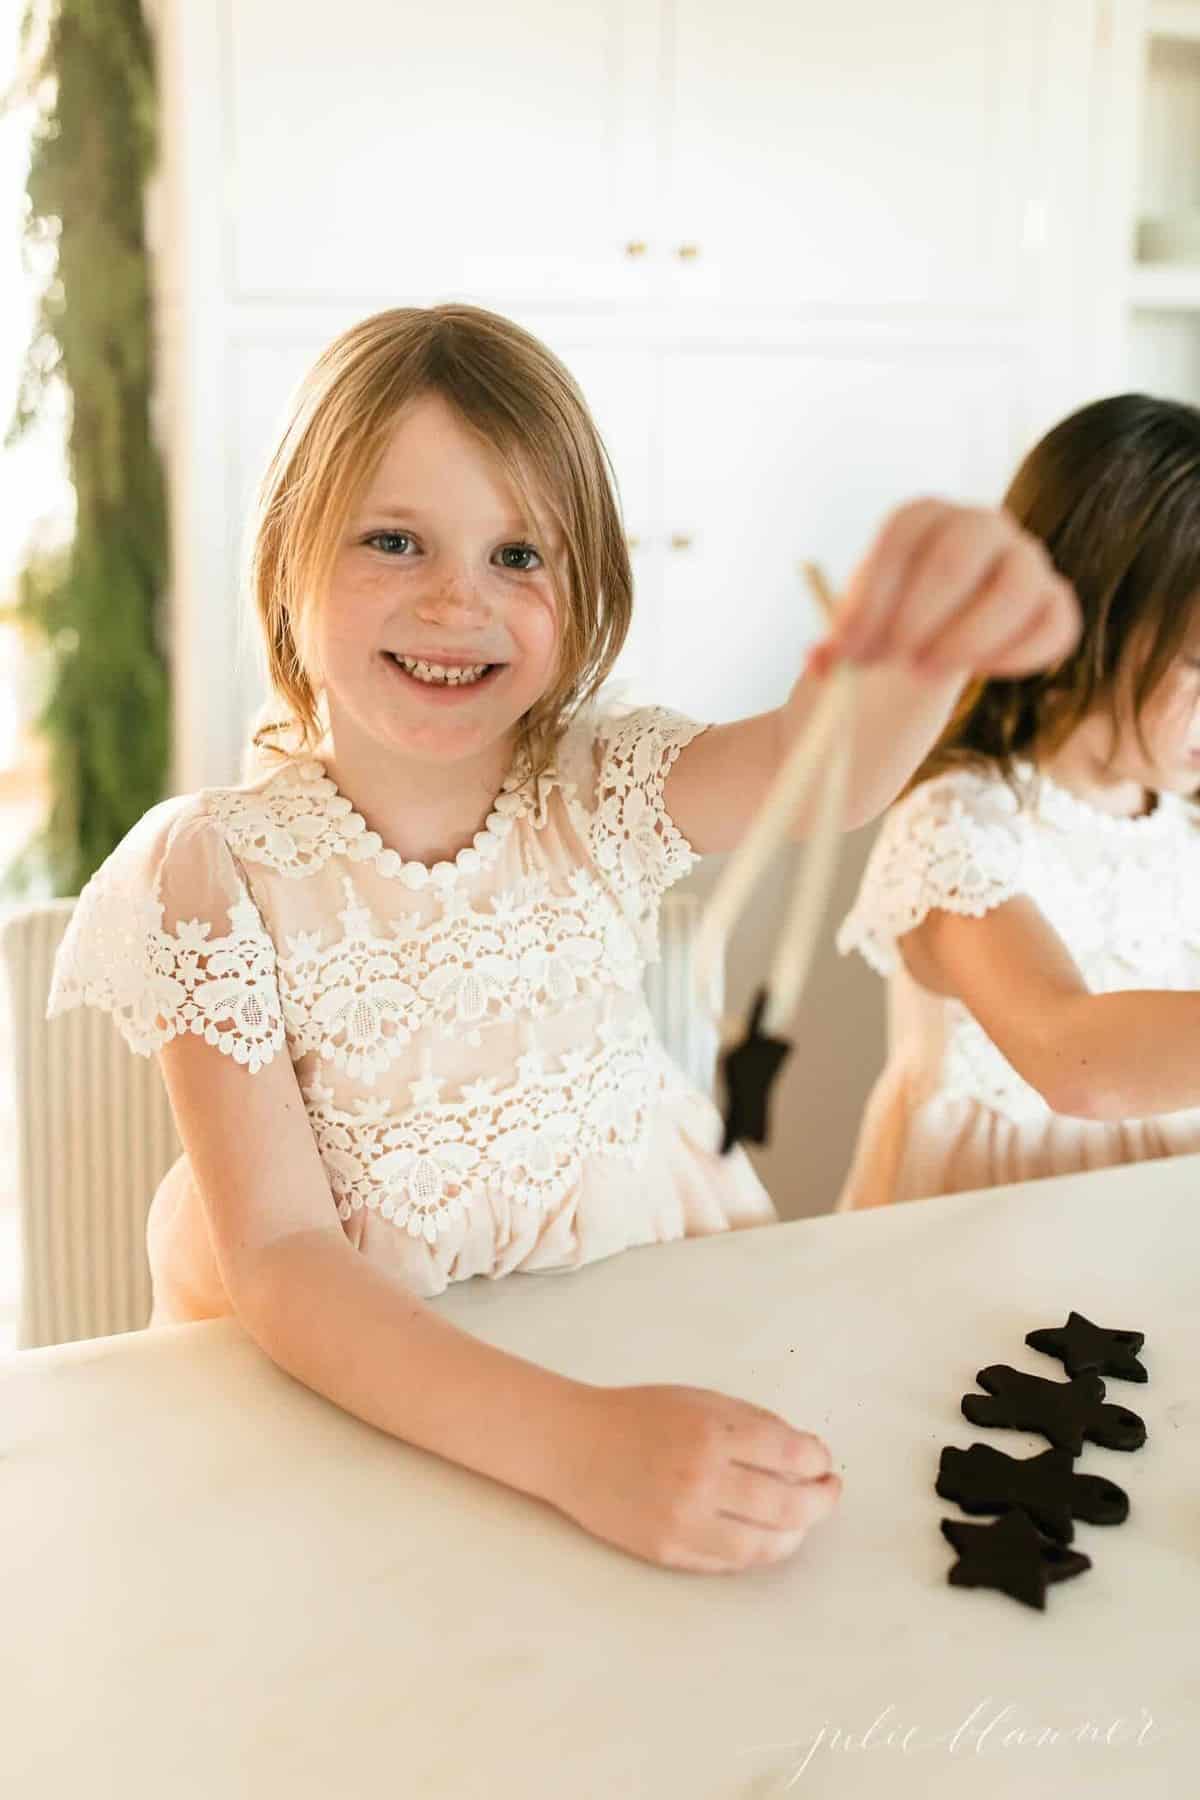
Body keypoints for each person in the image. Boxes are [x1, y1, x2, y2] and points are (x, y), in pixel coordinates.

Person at [48, 304, 1077, 1571]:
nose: (454, 600)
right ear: (285, 564)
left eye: (518, 556)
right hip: (360, 1407)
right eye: (393, 539)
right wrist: (579, 1450)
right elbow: (282, 1257)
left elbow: (828, 770)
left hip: (641, 1330)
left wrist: (928, 630)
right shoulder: (212, 872)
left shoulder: (598, 784)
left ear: (585, 590)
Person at [838, 393, 1200, 1213]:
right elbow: (1074, 1059)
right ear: (1095, 621)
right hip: (987, 1235)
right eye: (1199, 664)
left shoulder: (1182, 822)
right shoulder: (957, 825)